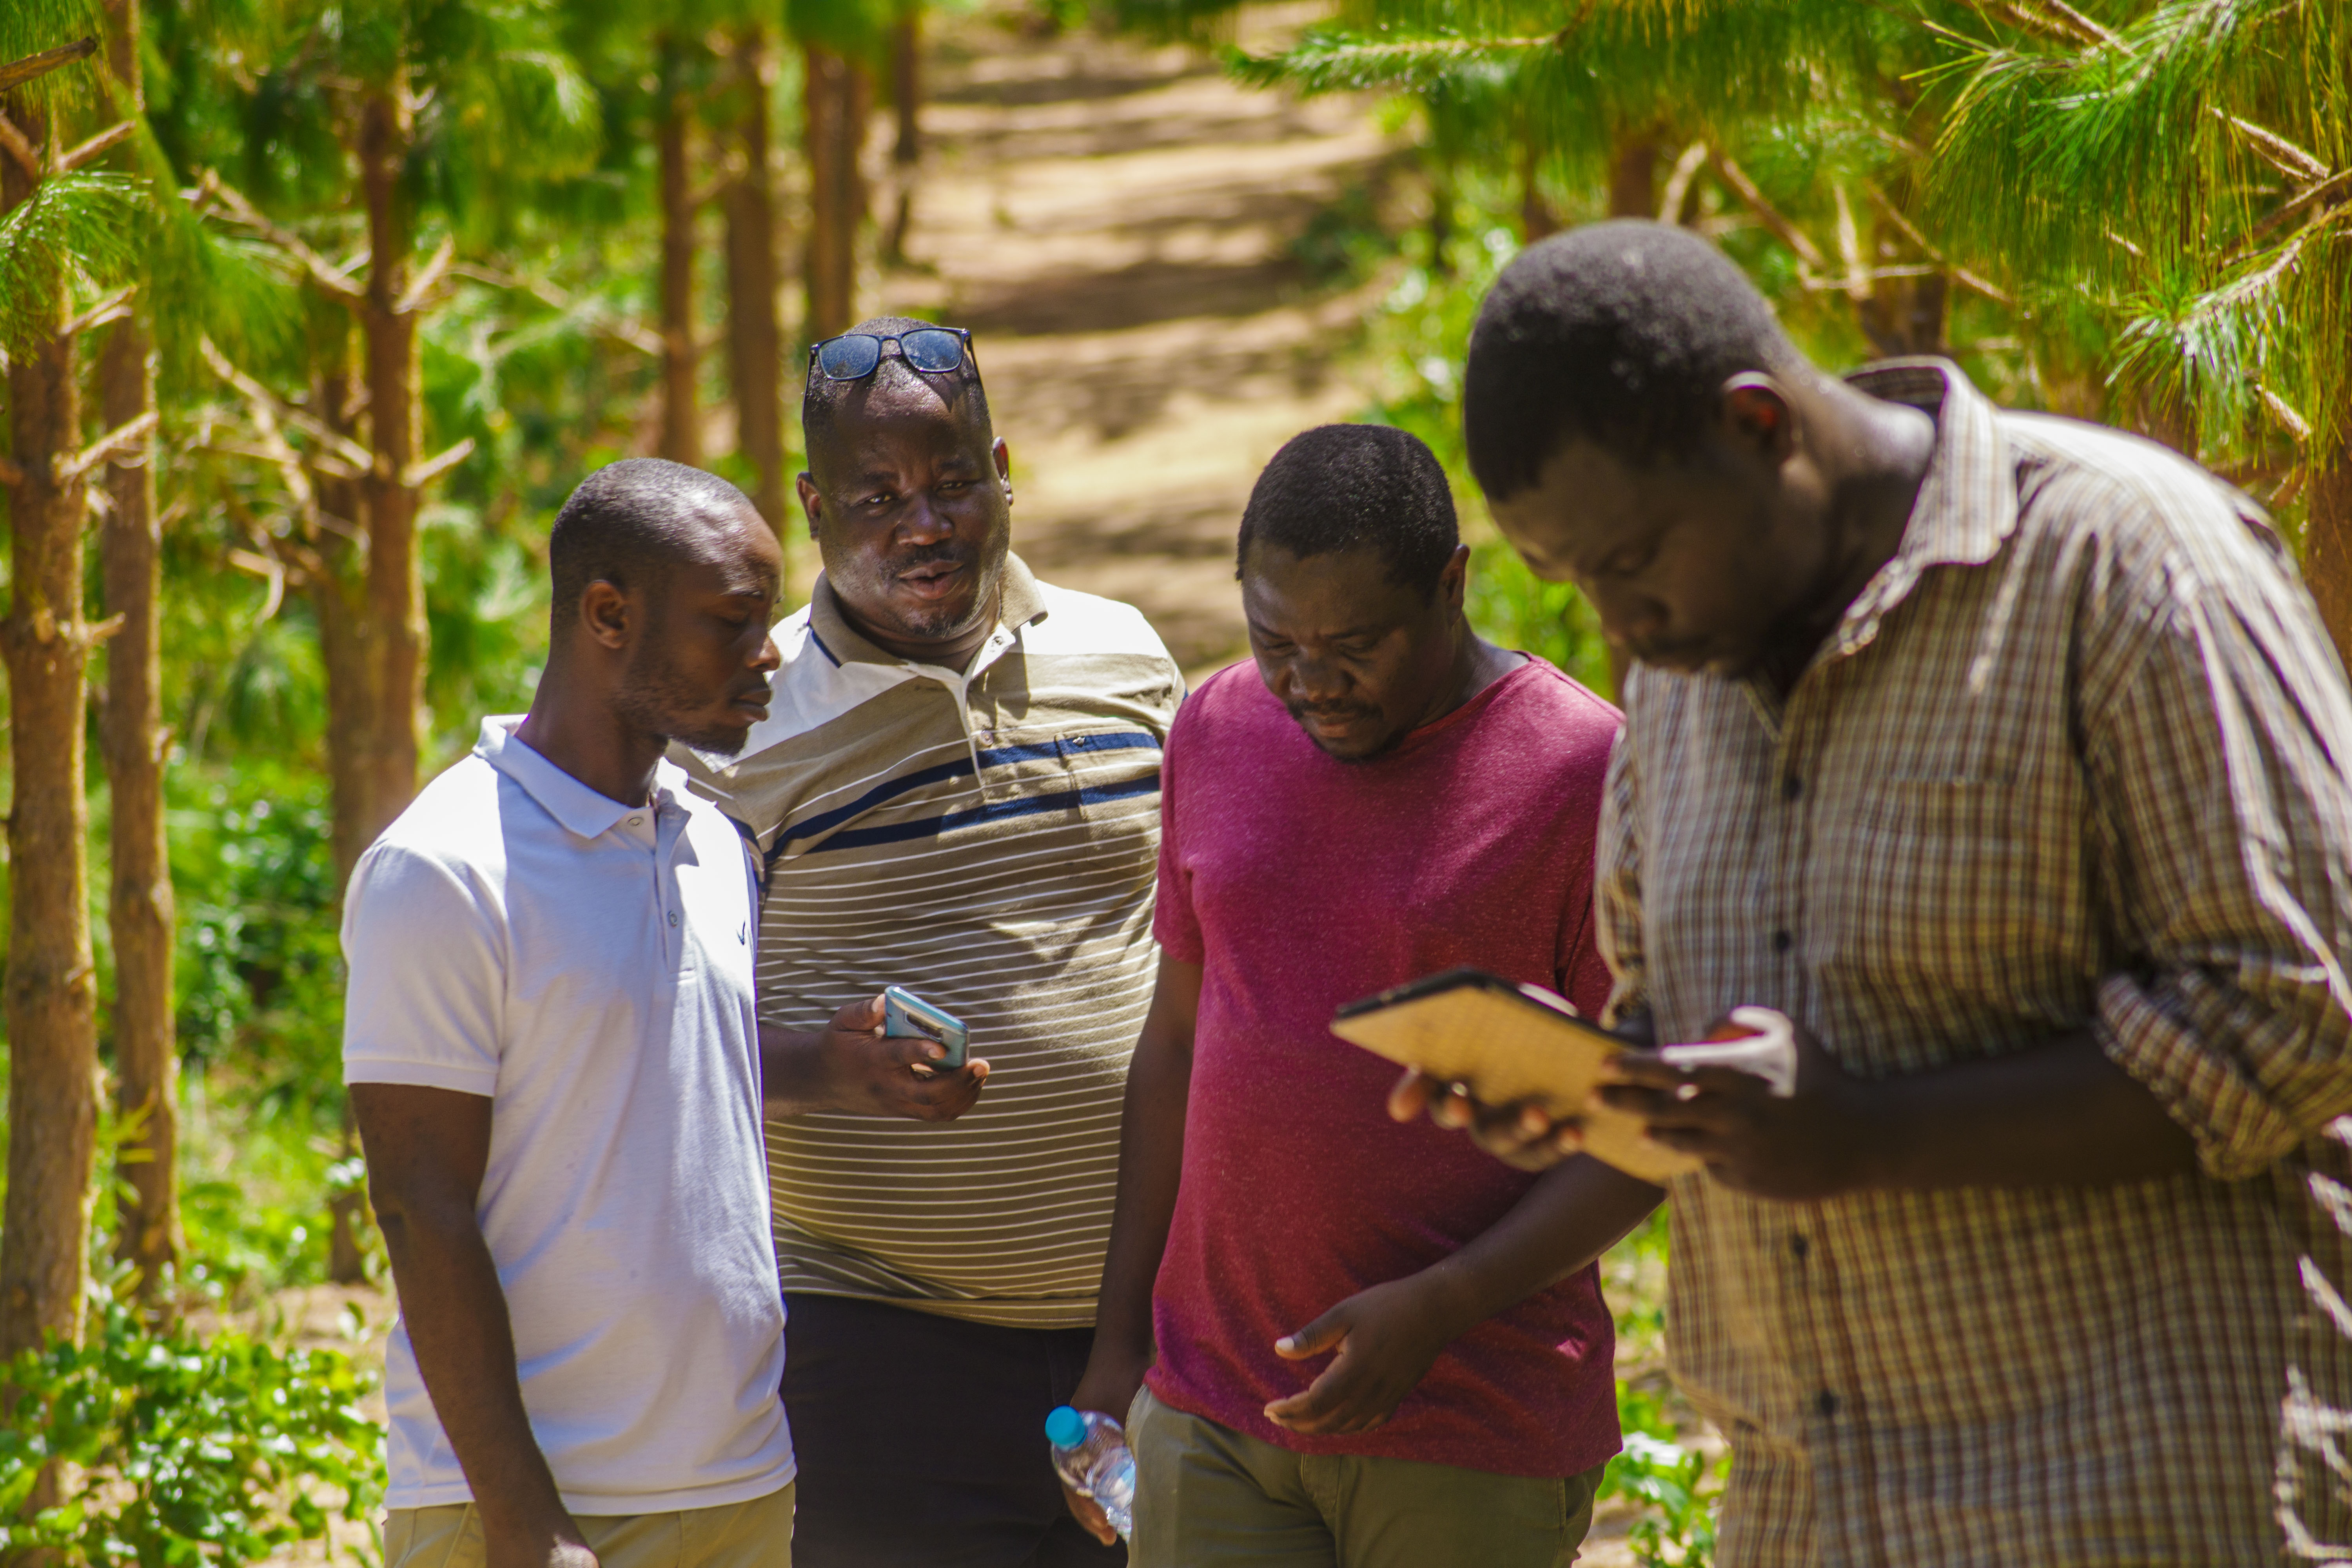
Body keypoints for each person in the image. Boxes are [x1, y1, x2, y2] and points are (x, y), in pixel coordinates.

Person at [1403, 219, 2352, 1562]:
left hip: (2143, 1493)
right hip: (1816, 1506)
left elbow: (2296, 1015)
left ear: (1754, 424)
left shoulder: (2124, 561)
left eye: (1632, 561)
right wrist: (1577, 1089)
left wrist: (1873, 1133)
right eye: (1574, 585)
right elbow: (1698, 1046)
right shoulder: (1685, 679)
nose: (1619, 631)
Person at [1063, 423, 1661, 1567]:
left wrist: (1442, 1303)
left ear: (1452, 586)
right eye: (1273, 637)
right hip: (1214, 1409)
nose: (1308, 682)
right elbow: (1178, 1042)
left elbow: (1646, 1126)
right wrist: (1118, 1341)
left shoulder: (1586, 772)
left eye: (1354, 645)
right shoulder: (1220, 726)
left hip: (1472, 1423)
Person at [670, 318, 1182, 1568]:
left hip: (1157, 1326)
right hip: (878, 1352)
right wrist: (823, 1067)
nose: (925, 524)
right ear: (810, 506)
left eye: (954, 481)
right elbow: (655, 1028)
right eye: (876, 497)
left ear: (1003, 466)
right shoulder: (741, 723)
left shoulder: (1130, 658)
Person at [345, 459, 797, 1568]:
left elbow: (647, 1082)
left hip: (738, 1481)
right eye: (735, 622)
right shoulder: (444, 869)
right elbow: (420, 1205)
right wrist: (522, 1515)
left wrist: (836, 1069)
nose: (770, 653)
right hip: (529, 1510)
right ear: (608, 615)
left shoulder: (712, 841)